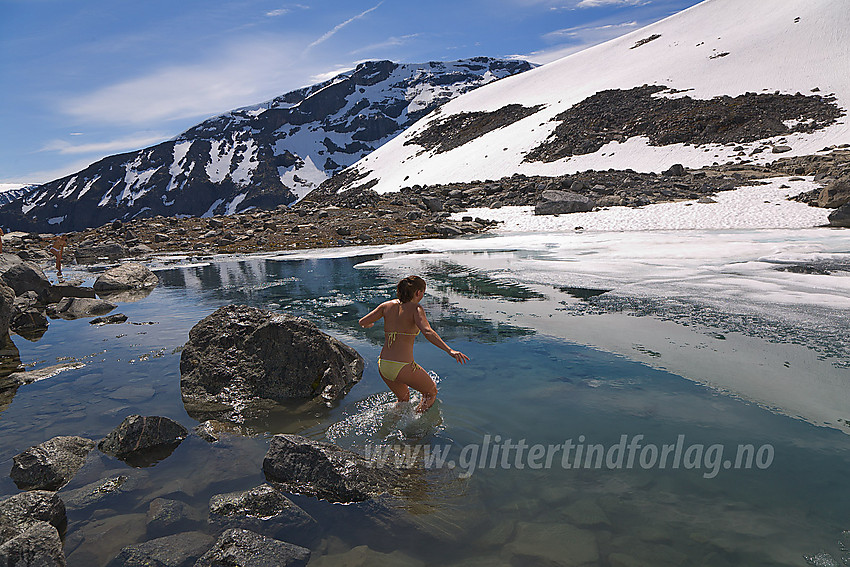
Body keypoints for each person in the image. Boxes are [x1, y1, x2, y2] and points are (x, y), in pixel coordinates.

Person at [359, 275, 469, 413]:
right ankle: (415, 425)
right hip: (403, 366)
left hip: (384, 365)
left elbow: (362, 322)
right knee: (431, 392)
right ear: (418, 293)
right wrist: (449, 350)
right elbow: (427, 332)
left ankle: (394, 423)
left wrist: (370, 324)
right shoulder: (416, 309)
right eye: (423, 292)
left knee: (403, 399)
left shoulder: (385, 306)